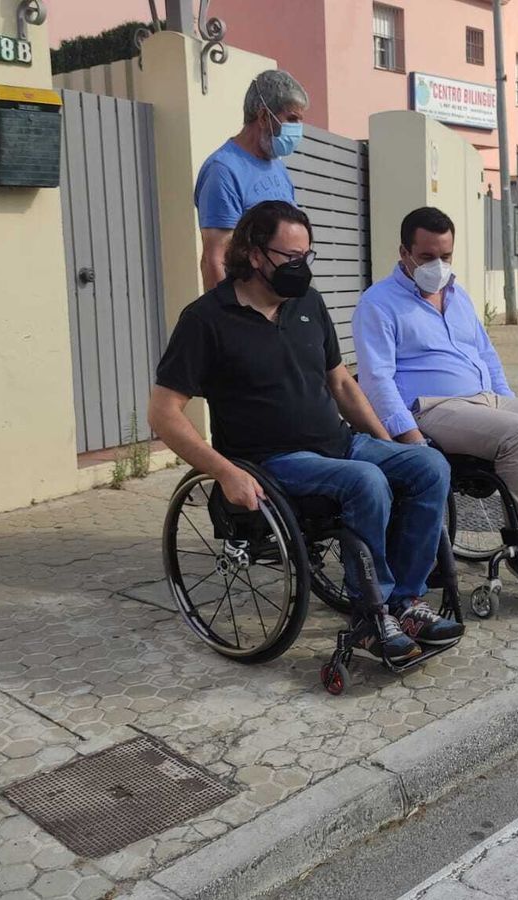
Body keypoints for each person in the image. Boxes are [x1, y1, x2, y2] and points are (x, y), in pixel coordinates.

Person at [149, 201, 461, 662]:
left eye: (306, 256)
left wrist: (386, 441)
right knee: (366, 481)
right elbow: (163, 413)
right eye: (290, 256)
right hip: (273, 461)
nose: (301, 267)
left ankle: (406, 602)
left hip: (339, 444)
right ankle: (371, 615)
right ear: (254, 253)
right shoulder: (207, 319)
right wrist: (224, 472)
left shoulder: (308, 304)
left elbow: (342, 384)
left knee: (429, 465)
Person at [353, 207, 518, 596]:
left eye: (446, 256)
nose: (438, 266)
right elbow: (376, 378)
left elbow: (487, 356)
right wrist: (407, 436)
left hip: (486, 401)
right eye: (427, 256)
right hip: (433, 408)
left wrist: (505, 402)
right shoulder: (379, 303)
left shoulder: (458, 296)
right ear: (404, 252)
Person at [194, 70, 308, 290]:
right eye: (292, 119)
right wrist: (229, 310)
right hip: (248, 303)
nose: (298, 130)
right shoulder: (223, 171)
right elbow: (214, 259)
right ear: (264, 117)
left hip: (283, 298)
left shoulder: (278, 168)